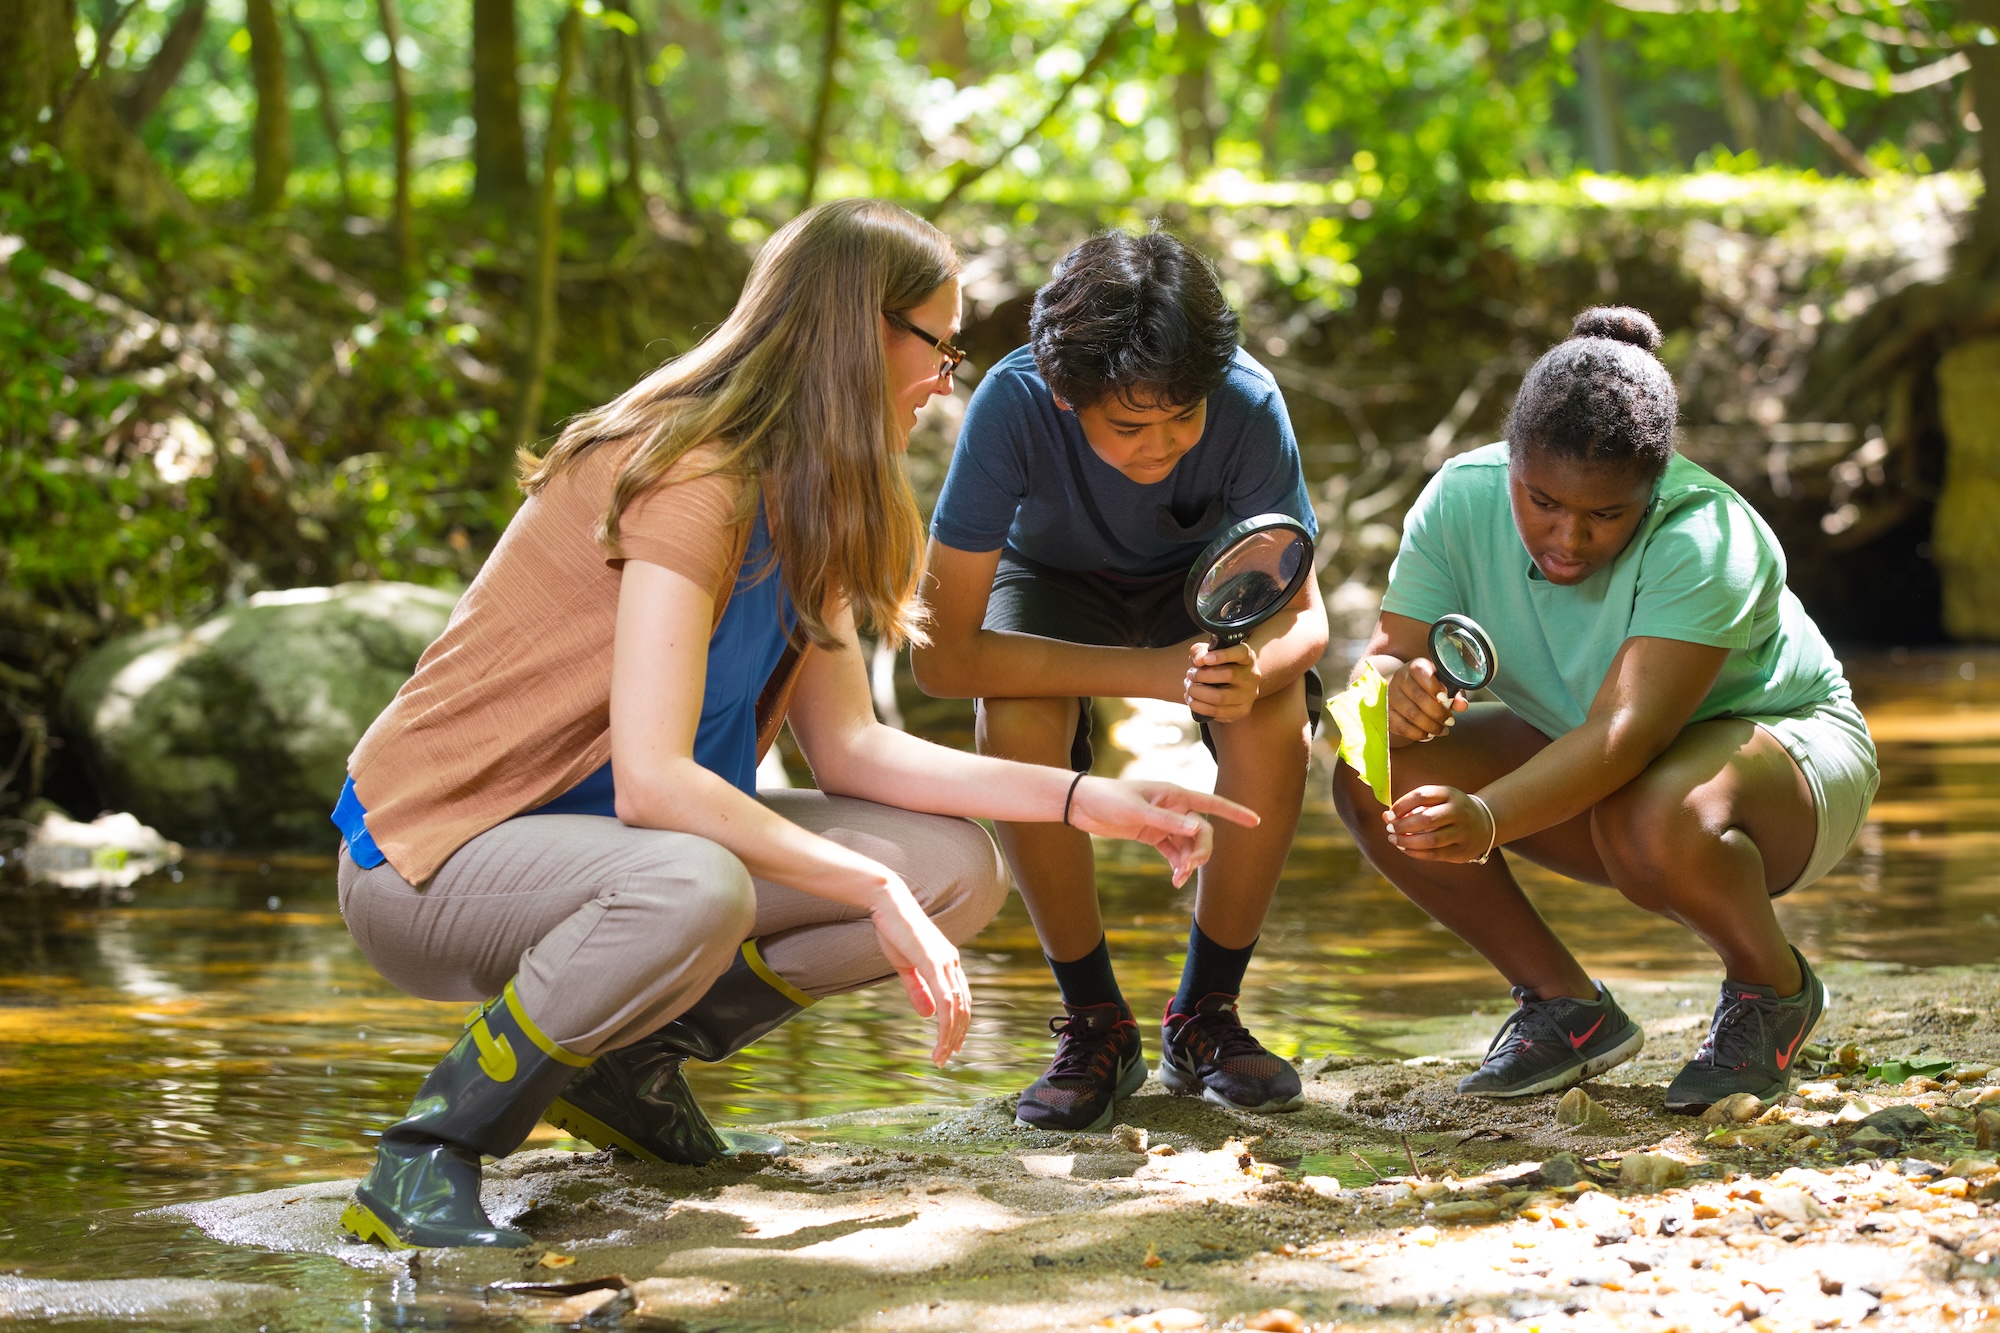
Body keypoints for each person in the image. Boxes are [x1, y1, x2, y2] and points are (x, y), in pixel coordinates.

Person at [330, 199, 1257, 1250]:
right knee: (698, 882)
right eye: (939, 347)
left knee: (954, 869)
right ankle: (426, 1154)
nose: (944, 379)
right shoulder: (694, 472)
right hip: (432, 859)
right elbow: (653, 780)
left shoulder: (813, 491)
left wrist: (1089, 800)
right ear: (862, 330)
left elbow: (852, 748)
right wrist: (867, 886)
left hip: (612, 853)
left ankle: (624, 1066)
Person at [1331, 306, 1878, 1112]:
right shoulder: (1460, 497)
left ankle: (1773, 989)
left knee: (1649, 813)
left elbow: (1627, 734)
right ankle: (1568, 1010)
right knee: (1369, 769)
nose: (1569, 538)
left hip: (1785, 758)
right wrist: (1388, 693)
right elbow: (1377, 663)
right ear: (1512, 463)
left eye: (1605, 515)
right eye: (1542, 501)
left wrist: (1488, 817)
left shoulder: (1709, 533)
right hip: (1601, 751)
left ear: (1653, 489)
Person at [914, 227, 1327, 1133]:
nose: (1161, 446)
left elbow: (1307, 619)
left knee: (1274, 715)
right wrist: (1148, 674)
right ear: (1066, 397)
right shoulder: (1013, 404)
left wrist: (1252, 670)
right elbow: (940, 656)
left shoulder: (1248, 401)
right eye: (1131, 427)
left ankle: (1205, 1014)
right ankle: (1096, 1021)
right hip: (1051, 582)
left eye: (1184, 418)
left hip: (1207, 589)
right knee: (1015, 717)